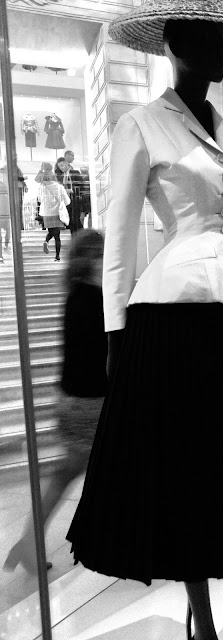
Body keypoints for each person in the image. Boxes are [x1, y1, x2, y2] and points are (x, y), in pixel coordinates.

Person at [66, 6, 223, 640]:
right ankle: (204, 626)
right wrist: (115, 330)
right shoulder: (142, 124)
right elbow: (121, 232)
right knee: (192, 468)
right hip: (176, 318)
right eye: (208, 39)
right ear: (174, 47)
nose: (220, 51)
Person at [3, 229, 107, 574]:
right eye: (102, 254)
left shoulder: (76, 296)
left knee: (67, 472)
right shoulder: (94, 299)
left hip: (74, 400)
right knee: (78, 471)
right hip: (90, 403)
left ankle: (29, 542)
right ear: (91, 260)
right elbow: (99, 358)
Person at [36, 162, 70, 261]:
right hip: (57, 213)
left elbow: (39, 199)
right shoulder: (60, 187)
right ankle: (57, 256)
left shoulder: (42, 187)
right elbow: (67, 201)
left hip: (47, 214)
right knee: (57, 236)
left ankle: (46, 242)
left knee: (51, 231)